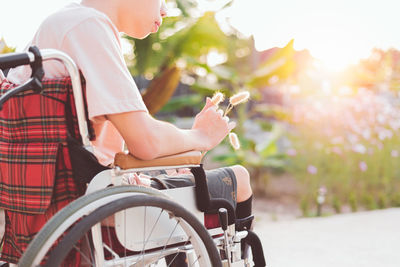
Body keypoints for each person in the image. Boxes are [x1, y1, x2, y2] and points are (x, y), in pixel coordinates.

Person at [2, 0, 253, 263]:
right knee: (240, 178)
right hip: (101, 206)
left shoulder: (58, 26)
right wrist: (201, 136)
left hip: (44, 210)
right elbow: (146, 141)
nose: (165, 10)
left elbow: (97, 147)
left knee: (174, 180)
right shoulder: (89, 26)